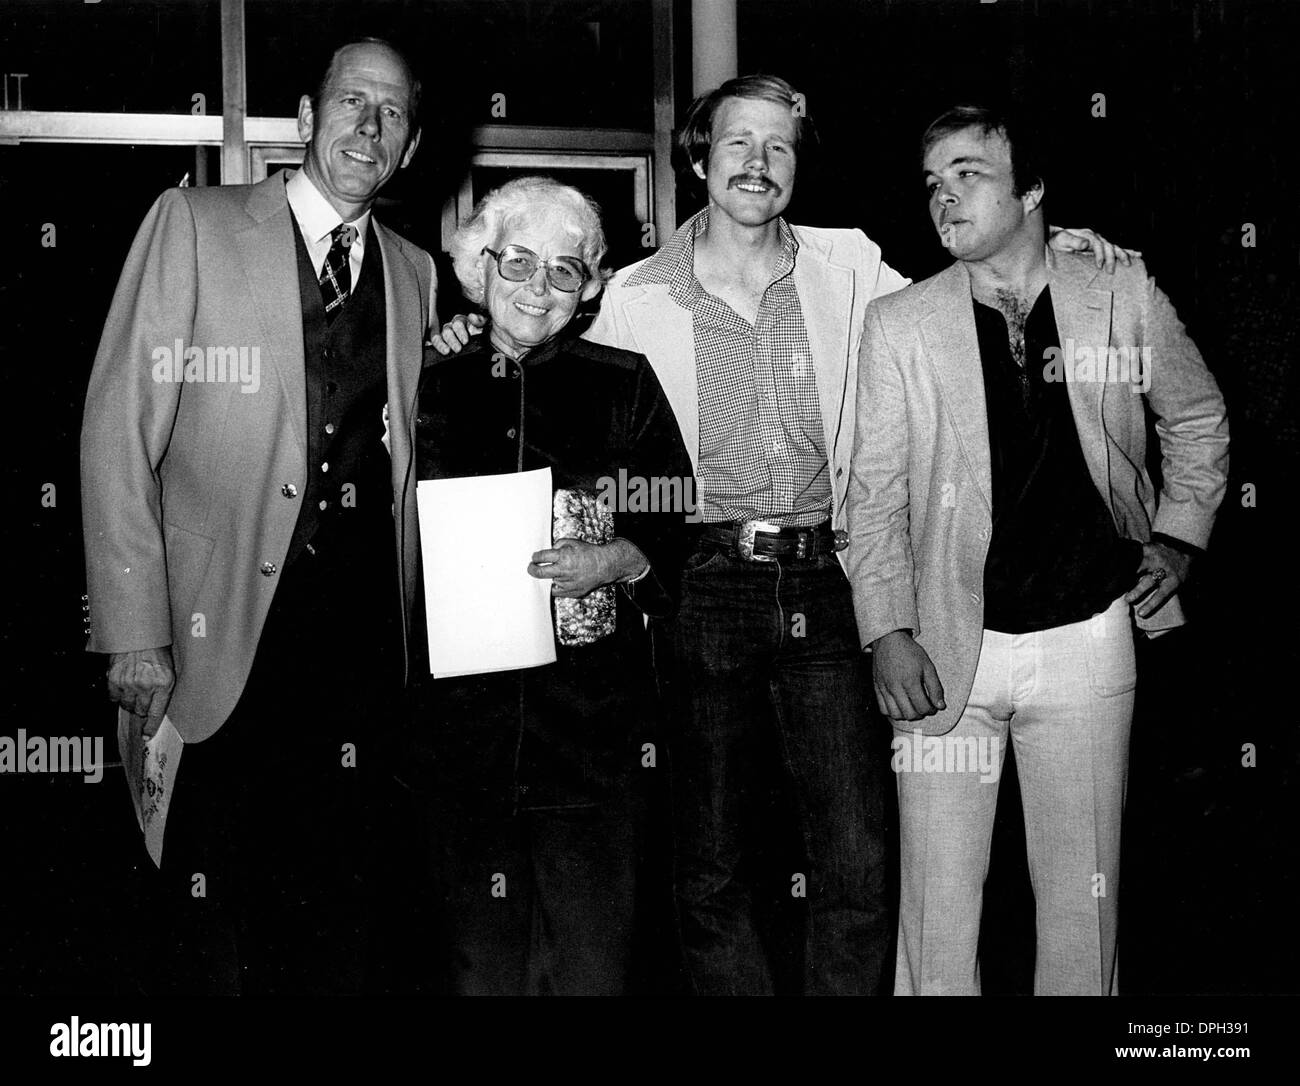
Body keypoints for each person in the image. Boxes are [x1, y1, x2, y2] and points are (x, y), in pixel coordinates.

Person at [432, 74, 1129, 996]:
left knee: (857, 857)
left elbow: (961, 297)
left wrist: (1049, 247)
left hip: (827, 579)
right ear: (698, 158)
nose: (757, 163)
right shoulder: (634, 292)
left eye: (779, 146)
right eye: (737, 142)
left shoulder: (852, 263)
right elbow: (536, 331)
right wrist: (459, 330)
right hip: (701, 582)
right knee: (710, 862)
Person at [846, 104, 1229, 995]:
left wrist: (1179, 538)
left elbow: (1198, 418)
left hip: (1089, 639)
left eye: (968, 174)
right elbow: (874, 495)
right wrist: (886, 631)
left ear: (1032, 191)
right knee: (936, 922)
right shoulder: (899, 322)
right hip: (945, 647)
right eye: (933, 183)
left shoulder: (1119, 292)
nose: (944, 197)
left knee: (1082, 914)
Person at [79, 37, 435, 994]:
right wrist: (134, 631)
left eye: (392, 113)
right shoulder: (194, 224)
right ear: (308, 118)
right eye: (351, 102)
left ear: (410, 146)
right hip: (214, 632)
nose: (369, 126)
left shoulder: (414, 271)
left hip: (360, 656)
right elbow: (116, 432)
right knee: (209, 916)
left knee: (336, 916)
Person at [410, 176, 693, 995]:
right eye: (519, 262)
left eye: (565, 269)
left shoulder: (624, 381)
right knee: (478, 969)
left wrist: (618, 559)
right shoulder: (427, 379)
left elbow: (674, 519)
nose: (538, 286)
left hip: (593, 737)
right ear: (480, 267)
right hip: (461, 738)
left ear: (589, 287)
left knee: (593, 967)